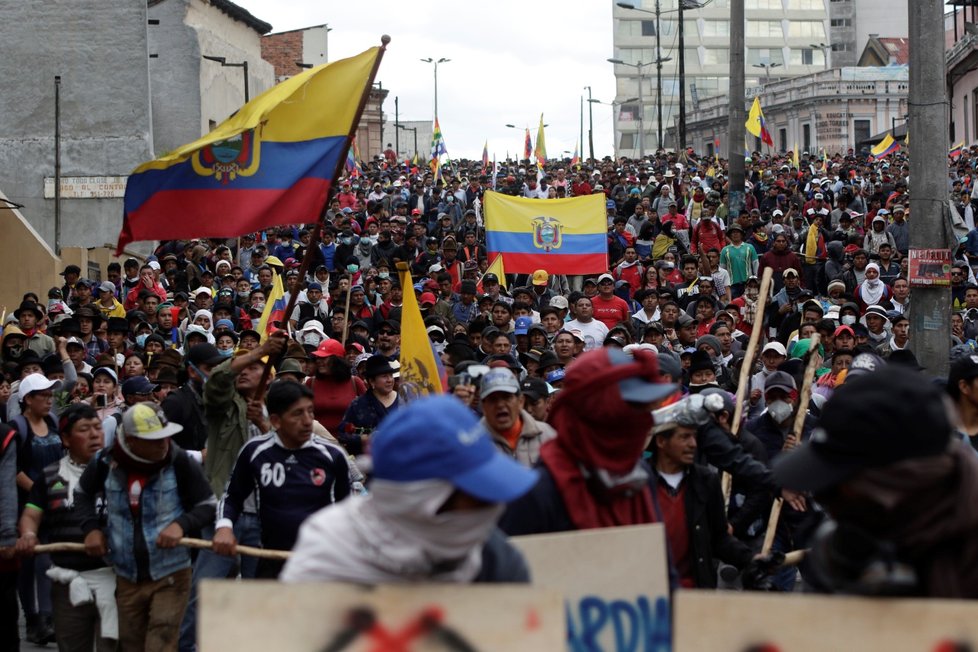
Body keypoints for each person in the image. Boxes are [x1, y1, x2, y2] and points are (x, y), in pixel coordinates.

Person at [280, 395, 537, 584]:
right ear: (419, 499)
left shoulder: (498, 561)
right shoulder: (327, 555)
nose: (494, 506)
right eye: (478, 493)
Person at [774, 366, 978, 598]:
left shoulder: (959, 570)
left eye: (837, 486)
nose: (824, 498)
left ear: (898, 484)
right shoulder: (867, 543)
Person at [74, 403, 216, 651]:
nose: (163, 444)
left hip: (172, 574)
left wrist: (181, 525)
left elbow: (207, 504)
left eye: (165, 436)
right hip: (126, 575)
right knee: (131, 645)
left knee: (160, 645)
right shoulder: (105, 462)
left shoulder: (179, 461)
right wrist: (91, 528)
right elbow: (82, 494)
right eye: (154, 439)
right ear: (131, 440)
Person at [500, 347, 677, 534]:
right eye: (631, 409)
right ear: (595, 414)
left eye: (644, 410)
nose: (643, 423)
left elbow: (659, 556)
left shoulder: (640, 477)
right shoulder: (540, 493)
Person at [213, 382, 351, 578]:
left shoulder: (332, 455)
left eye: (310, 412)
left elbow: (349, 510)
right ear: (276, 420)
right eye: (297, 414)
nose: (307, 421)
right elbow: (231, 497)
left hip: (321, 563)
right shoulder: (255, 451)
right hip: (271, 559)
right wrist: (224, 527)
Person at [16, 403, 117, 651]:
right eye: (84, 429)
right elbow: (31, 515)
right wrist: (28, 534)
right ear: (66, 438)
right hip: (68, 580)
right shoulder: (51, 476)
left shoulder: (120, 473)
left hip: (116, 580)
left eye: (97, 428)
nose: (95, 435)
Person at [649, 396, 758, 588]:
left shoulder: (705, 481)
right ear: (661, 441)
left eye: (694, 436)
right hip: (650, 595)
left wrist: (752, 560)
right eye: (684, 437)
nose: (693, 444)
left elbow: (720, 538)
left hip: (695, 593)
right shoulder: (640, 484)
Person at [478, 368, 556, 466]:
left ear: (520, 402)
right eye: (492, 399)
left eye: (507, 397)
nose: (500, 405)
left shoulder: (546, 435)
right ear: (483, 406)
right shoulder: (472, 443)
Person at [336, 355, 400, 452]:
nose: (390, 380)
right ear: (372, 381)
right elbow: (343, 433)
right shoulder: (359, 405)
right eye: (384, 376)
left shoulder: (403, 400)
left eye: (391, 375)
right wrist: (364, 439)